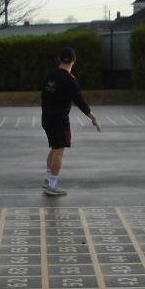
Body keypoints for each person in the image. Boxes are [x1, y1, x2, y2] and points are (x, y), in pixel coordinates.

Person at [41, 46, 101, 197]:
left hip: (46, 117)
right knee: (59, 151)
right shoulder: (69, 80)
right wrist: (93, 118)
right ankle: (52, 185)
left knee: (55, 148)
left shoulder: (51, 76)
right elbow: (80, 101)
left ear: (59, 59)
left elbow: (44, 95)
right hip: (59, 120)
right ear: (74, 60)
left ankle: (49, 181)